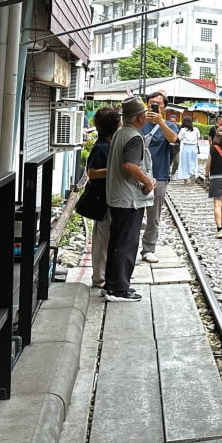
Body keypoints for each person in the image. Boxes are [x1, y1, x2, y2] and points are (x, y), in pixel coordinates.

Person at [104, 97, 156, 302]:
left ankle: (111, 285)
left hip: (116, 197)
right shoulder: (134, 137)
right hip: (129, 199)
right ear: (140, 117)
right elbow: (129, 165)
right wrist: (148, 182)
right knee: (127, 244)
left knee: (116, 242)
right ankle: (120, 290)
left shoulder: (120, 133)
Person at [139, 90, 179, 264]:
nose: (155, 105)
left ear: (164, 107)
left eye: (159, 103)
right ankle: (129, 246)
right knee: (133, 214)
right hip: (136, 173)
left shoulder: (170, 125)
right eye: (152, 102)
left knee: (153, 216)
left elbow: (173, 139)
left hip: (159, 175)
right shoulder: (139, 121)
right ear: (147, 103)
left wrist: (161, 122)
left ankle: (148, 249)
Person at [85, 107, 120, 289]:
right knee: (102, 240)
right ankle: (99, 278)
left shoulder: (109, 144)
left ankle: (103, 275)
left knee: (106, 239)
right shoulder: (101, 147)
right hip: (102, 201)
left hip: (108, 199)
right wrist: (114, 170)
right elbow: (92, 173)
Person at [176, 116, 200, 182]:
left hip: (186, 147)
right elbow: (198, 137)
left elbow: (179, 137)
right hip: (194, 147)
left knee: (185, 163)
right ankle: (193, 173)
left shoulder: (183, 130)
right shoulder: (196, 129)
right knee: (193, 162)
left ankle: (185, 179)